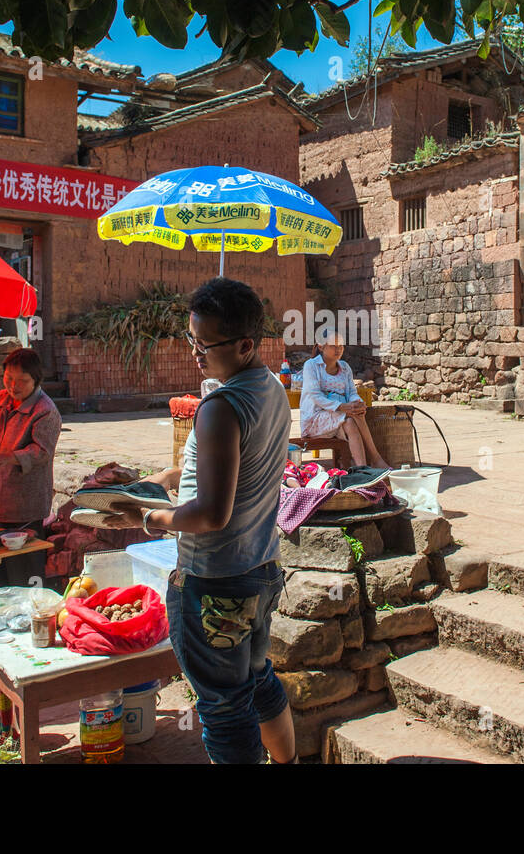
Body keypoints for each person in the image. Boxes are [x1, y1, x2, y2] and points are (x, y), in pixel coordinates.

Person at [104, 277, 296, 764]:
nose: (195, 353)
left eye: (204, 344)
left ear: (245, 344)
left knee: (224, 707)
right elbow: (242, 464)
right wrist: (172, 475)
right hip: (262, 568)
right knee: (255, 680)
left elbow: (210, 514)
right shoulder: (269, 387)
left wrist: (145, 516)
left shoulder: (221, 407)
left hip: (216, 582)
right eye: (191, 339)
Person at [0, 347, 61, 587]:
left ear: (36, 380)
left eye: (22, 381)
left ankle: (30, 614)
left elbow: (42, 452)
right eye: (8, 378)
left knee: (25, 571)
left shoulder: (46, 411)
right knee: (1, 567)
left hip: (26, 503)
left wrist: (12, 456)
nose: (13, 386)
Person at [299, 326, 389, 468]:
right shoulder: (311, 366)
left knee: (353, 417)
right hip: (314, 420)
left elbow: (352, 392)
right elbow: (315, 395)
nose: (338, 349)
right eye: (333, 346)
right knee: (349, 417)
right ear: (321, 347)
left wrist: (357, 403)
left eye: (341, 345)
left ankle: (362, 469)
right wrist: (342, 407)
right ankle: (375, 458)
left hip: (340, 417)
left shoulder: (345, 367)